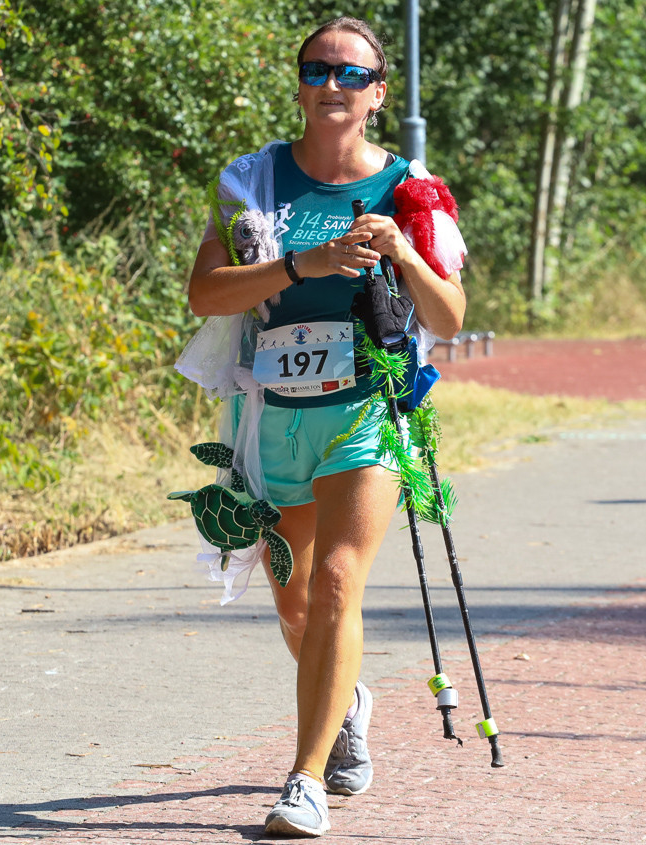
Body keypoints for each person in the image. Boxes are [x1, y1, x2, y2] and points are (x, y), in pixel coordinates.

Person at [184, 16, 466, 838]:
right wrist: (307, 263)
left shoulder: (412, 188)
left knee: (341, 580)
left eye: (352, 74)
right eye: (318, 69)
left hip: (365, 413)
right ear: (301, 83)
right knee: (297, 604)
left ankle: (303, 780)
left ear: (378, 94)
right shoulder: (250, 180)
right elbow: (207, 294)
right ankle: (348, 700)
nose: (332, 85)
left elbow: (448, 315)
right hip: (269, 415)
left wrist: (403, 256)